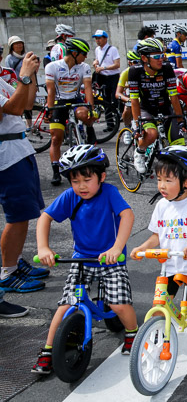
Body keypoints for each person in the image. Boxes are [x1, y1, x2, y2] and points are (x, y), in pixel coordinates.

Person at [34, 145, 138, 374]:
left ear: (101, 177)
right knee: (65, 305)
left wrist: (116, 247)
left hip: (110, 259)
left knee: (119, 304)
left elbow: (127, 215)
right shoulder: (71, 196)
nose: (81, 186)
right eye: (74, 180)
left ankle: (133, 333)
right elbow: (45, 218)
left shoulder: (109, 192)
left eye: (87, 179)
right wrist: (43, 248)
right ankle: (48, 350)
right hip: (82, 259)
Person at [130, 146, 187, 364]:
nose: (161, 186)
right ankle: (155, 340)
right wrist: (142, 248)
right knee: (158, 308)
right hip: (171, 266)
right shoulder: (162, 206)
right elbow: (156, 236)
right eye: (159, 180)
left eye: (168, 180)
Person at [0, 53, 47, 305]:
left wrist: (31, 77)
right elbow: (14, 109)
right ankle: (7, 272)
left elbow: (26, 104)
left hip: (18, 150)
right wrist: (24, 76)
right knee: (16, 216)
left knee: (25, 213)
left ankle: (15, 262)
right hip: (5, 156)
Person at [128, 38, 186, 174]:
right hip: (146, 109)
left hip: (165, 108)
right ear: (144, 58)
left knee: (180, 144)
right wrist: (137, 125)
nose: (161, 59)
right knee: (152, 134)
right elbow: (134, 101)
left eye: (162, 55)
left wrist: (180, 120)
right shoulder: (135, 71)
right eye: (157, 56)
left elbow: (174, 97)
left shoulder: (167, 68)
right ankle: (139, 152)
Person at [45, 38, 97, 186]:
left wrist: (91, 110)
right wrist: (49, 109)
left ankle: (88, 127)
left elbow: (87, 88)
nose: (86, 57)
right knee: (56, 138)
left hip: (76, 99)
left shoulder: (84, 67)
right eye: (84, 53)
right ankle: (56, 170)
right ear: (74, 53)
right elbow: (51, 90)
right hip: (59, 101)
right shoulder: (52, 67)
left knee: (83, 114)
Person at [91, 29, 121, 129]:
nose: (97, 40)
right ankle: (110, 124)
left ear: (105, 38)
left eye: (99, 38)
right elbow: (98, 60)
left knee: (114, 99)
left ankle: (118, 117)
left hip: (113, 76)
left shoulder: (113, 49)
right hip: (103, 77)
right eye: (96, 39)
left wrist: (104, 68)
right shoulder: (97, 50)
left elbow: (117, 64)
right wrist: (96, 63)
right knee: (105, 100)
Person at [115, 50, 140, 145]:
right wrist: (128, 100)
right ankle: (127, 128)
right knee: (128, 109)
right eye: (136, 62)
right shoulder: (125, 73)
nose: (138, 65)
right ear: (130, 63)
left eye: (140, 62)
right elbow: (118, 93)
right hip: (131, 98)